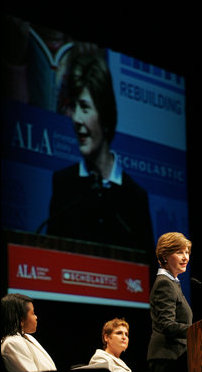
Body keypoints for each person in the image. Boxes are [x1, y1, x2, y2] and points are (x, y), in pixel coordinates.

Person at [46, 50, 156, 280]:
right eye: (74, 107)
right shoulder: (63, 183)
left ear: (105, 116)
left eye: (84, 107)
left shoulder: (135, 196)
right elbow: (51, 260)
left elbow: (147, 272)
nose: (76, 118)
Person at [147, 232, 193, 372]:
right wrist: (197, 330)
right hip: (167, 359)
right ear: (165, 256)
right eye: (179, 252)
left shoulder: (173, 283)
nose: (185, 257)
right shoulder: (164, 283)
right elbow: (167, 325)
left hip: (175, 358)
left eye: (187, 252)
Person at [89, 318, 156, 372]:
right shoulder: (100, 359)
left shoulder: (120, 362)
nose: (124, 337)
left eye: (126, 334)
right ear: (106, 337)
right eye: (119, 333)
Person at [1, 293, 57, 372]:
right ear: (21, 320)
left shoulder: (28, 337)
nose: (36, 317)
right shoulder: (12, 343)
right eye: (33, 313)